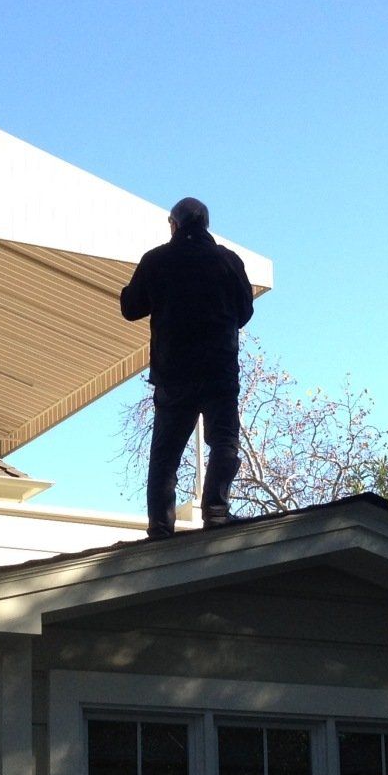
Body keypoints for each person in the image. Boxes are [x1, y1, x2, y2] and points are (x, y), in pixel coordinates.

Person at [120, 197, 255, 537]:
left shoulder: (156, 261)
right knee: (224, 442)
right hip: (219, 372)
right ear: (206, 226)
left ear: (174, 225)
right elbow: (245, 312)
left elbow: (130, 307)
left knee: (166, 455)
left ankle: (161, 526)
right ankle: (216, 511)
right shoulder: (227, 261)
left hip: (174, 372)